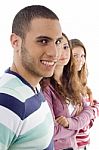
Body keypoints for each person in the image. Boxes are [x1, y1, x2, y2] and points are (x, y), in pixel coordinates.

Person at [0, 5, 63, 150]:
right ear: (16, 42)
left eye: (57, 41)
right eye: (43, 41)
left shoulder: (34, 86)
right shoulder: (6, 102)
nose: (54, 53)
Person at [40, 33, 94, 150]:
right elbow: (51, 131)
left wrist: (70, 123)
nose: (63, 52)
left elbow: (89, 110)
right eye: (58, 46)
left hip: (73, 145)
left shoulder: (70, 81)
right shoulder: (45, 87)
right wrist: (77, 128)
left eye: (66, 47)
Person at [70, 38, 99, 150]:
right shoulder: (65, 85)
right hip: (72, 144)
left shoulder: (83, 85)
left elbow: (90, 113)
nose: (80, 60)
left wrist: (88, 112)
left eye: (82, 56)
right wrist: (88, 113)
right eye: (75, 55)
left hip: (84, 143)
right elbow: (72, 121)